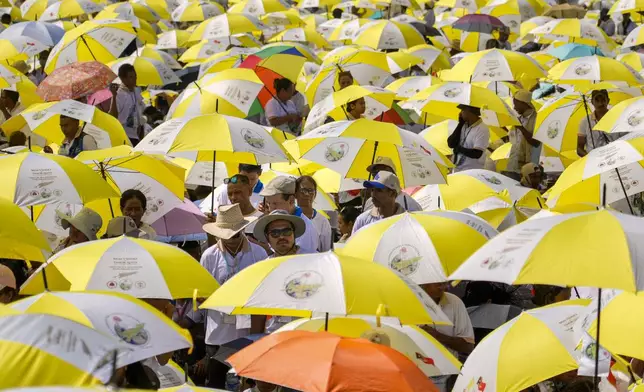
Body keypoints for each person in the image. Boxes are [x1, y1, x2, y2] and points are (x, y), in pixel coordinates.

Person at [199, 204, 268, 389]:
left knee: (247, 384)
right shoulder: (209, 256)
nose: (230, 238)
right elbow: (202, 292)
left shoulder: (259, 253)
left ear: (243, 229)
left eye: (235, 234)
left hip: (247, 332)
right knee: (216, 384)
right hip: (218, 332)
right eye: (225, 234)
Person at [252, 210, 307, 333]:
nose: (281, 237)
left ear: (294, 234)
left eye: (286, 231)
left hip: (305, 333)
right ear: (267, 238)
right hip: (273, 333)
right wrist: (255, 340)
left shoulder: (313, 261)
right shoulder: (263, 268)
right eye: (275, 233)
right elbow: (257, 310)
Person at [421, 282, 475, 392]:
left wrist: (437, 336)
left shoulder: (454, 303)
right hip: (414, 373)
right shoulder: (408, 302)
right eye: (438, 284)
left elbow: (468, 346)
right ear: (425, 282)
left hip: (444, 375)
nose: (444, 287)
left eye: (445, 283)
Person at [260, 176, 319, 253]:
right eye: (269, 203)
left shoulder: (306, 229)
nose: (271, 208)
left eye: (275, 203)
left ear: (291, 200)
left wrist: (268, 251)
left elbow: (301, 260)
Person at [504, 90, 539, 181]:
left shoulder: (536, 119)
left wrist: (521, 127)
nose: (514, 108)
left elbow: (535, 142)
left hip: (528, 168)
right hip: (513, 165)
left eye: (516, 104)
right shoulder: (518, 118)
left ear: (524, 103)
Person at [577, 89, 622, 156]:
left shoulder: (618, 118)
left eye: (603, 100)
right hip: (594, 159)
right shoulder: (585, 122)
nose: (600, 103)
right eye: (597, 100)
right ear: (592, 102)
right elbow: (579, 149)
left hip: (616, 156)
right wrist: (589, 158)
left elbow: (626, 140)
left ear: (608, 101)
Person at [447, 104, 490, 172]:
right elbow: (451, 143)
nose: (461, 113)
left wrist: (459, 149)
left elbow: (477, 153)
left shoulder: (482, 128)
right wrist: (460, 124)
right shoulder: (464, 125)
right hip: (457, 169)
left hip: (472, 171)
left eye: (463, 110)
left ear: (469, 111)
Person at [295, 176, 332, 252]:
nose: (307, 194)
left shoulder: (323, 221)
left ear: (315, 194)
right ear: (295, 193)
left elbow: (326, 250)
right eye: (303, 190)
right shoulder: (290, 218)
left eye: (311, 191)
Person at [114, 64, 145, 146]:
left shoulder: (137, 91)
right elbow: (115, 116)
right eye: (131, 77)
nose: (135, 79)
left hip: (136, 134)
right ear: (123, 79)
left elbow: (140, 112)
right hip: (124, 135)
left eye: (135, 76)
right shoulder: (119, 94)